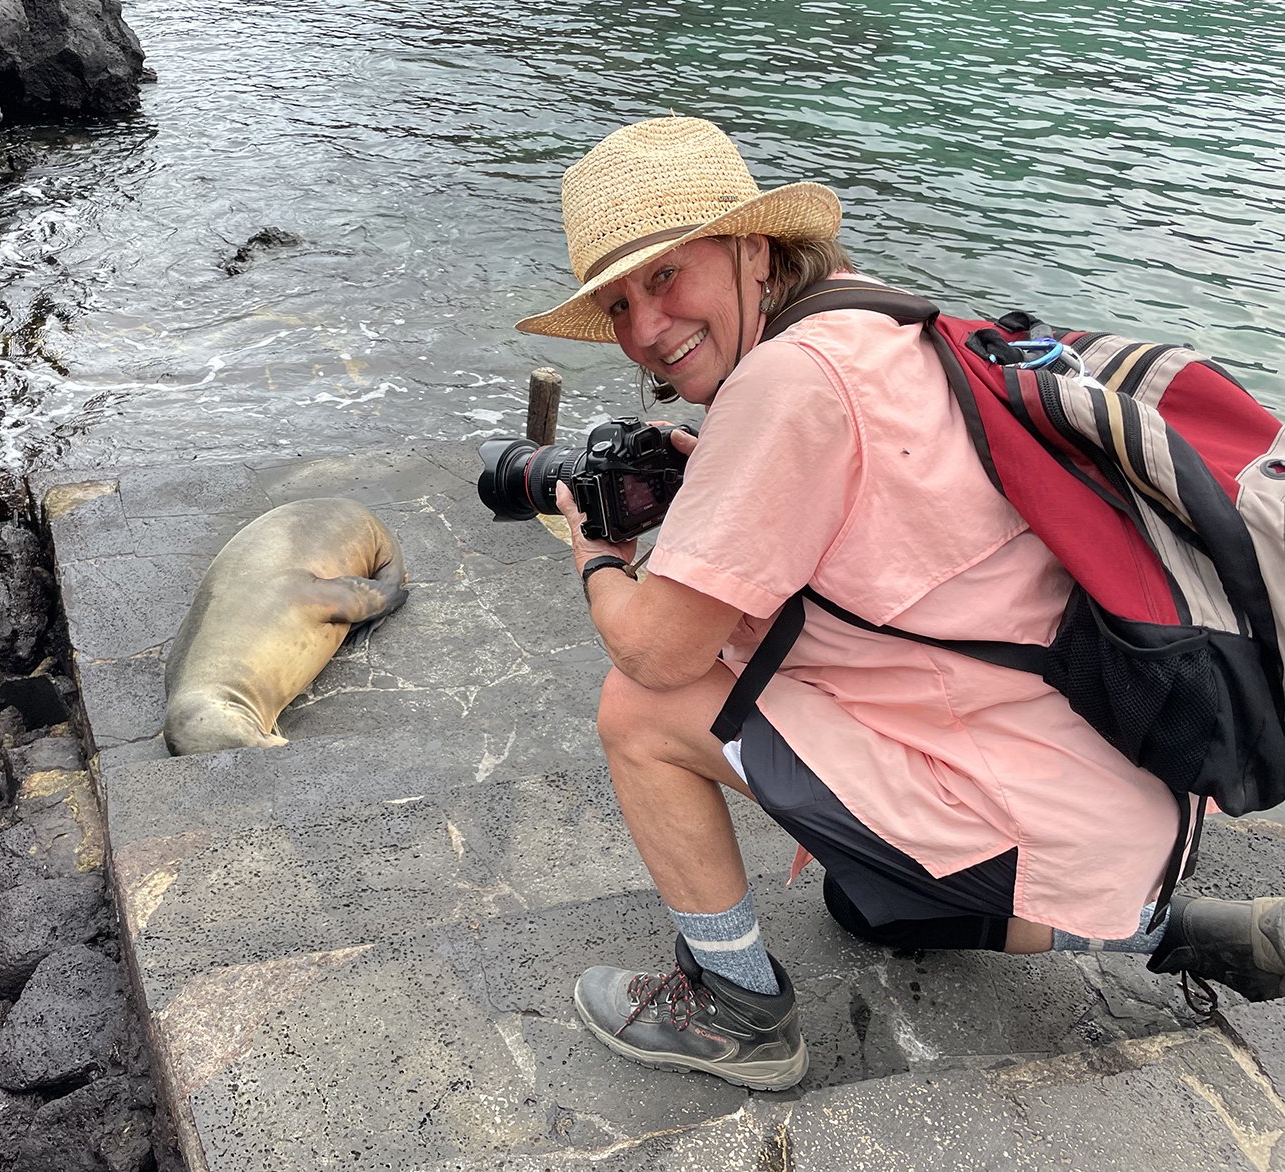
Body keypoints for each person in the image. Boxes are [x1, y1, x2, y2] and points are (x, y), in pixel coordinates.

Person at [513, 114, 1285, 1092]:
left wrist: (600, 556)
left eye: (666, 276)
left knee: (640, 712)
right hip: (1115, 783)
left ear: (754, 249)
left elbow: (658, 655)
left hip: (1019, 787)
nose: (646, 328)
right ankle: (1178, 927)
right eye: (619, 304)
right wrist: (722, 489)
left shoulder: (788, 382)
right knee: (862, 904)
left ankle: (733, 1003)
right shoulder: (869, 316)